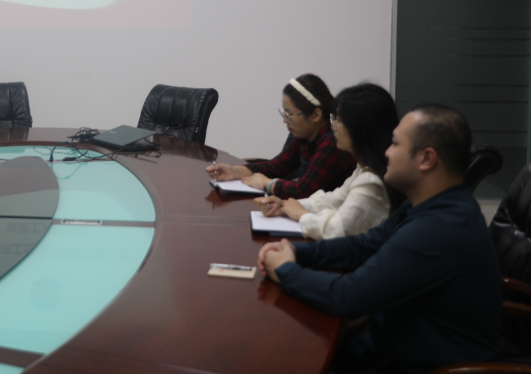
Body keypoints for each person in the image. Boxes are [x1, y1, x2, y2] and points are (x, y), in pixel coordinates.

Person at [258, 104, 504, 374]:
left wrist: (285, 269)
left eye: (395, 144)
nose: (386, 151)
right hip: (391, 343)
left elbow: (348, 296)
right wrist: (296, 252)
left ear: (426, 159)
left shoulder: (438, 229)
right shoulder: (428, 204)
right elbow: (364, 245)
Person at [253, 82, 399, 239]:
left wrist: (300, 213)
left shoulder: (372, 180)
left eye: (339, 120)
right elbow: (334, 200)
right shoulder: (363, 168)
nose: (333, 126)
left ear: (361, 128)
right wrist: (284, 206)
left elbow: (335, 230)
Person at [206, 74, 354, 199]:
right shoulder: (304, 135)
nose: (284, 120)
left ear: (316, 115)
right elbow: (277, 166)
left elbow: (304, 190)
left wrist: (267, 184)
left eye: (289, 114)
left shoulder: (332, 141)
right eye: (284, 113)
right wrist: (235, 172)